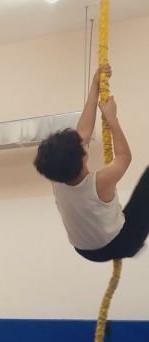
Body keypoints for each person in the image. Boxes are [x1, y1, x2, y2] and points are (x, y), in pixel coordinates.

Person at [35, 65, 148, 262]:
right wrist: (112, 118)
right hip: (121, 242)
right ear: (84, 157)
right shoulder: (100, 182)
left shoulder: (57, 179)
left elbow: (83, 131)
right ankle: (133, 245)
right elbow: (124, 157)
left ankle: (119, 231)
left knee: (112, 215)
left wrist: (95, 85)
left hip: (84, 251)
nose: (83, 140)